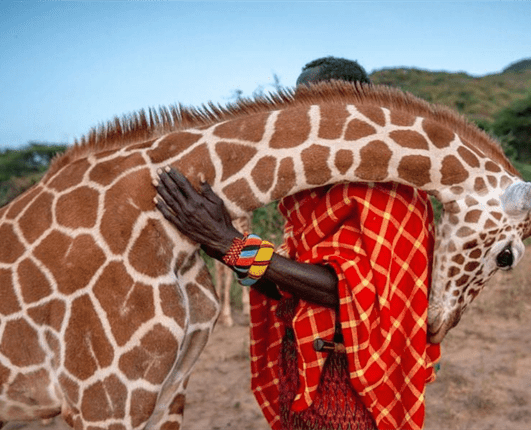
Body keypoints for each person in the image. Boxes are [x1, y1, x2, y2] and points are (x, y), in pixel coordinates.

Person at [155, 57, 441, 430]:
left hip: (355, 385)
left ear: (353, 109)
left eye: (310, 105)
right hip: (301, 370)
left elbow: (348, 291)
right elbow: (290, 288)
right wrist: (219, 244)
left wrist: (229, 242)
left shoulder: (394, 194)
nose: (299, 119)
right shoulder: (311, 197)